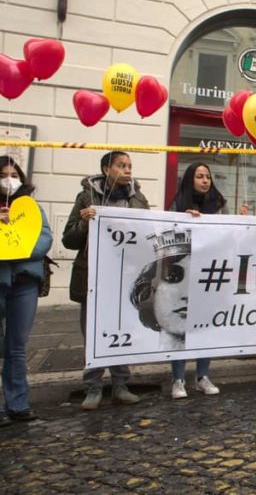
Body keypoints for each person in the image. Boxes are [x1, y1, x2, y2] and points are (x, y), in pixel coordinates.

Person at [63, 151, 147, 410]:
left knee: (122, 330)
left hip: (125, 278)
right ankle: (93, 388)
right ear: (106, 169)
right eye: (121, 165)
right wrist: (85, 223)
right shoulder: (87, 196)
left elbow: (148, 235)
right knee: (93, 334)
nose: (127, 170)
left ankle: (121, 385)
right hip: (93, 278)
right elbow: (69, 239)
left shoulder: (138, 199)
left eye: (130, 165)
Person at [163, 163, 248, 399]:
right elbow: (168, 236)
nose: (205, 180)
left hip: (210, 272)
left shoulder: (219, 203)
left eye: (208, 176)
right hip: (184, 274)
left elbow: (228, 235)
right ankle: (178, 379)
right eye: (199, 176)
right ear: (190, 179)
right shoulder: (178, 203)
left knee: (205, 326)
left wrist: (239, 220)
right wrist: (185, 222)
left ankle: (202, 376)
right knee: (181, 327)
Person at [0, 156, 53, 425]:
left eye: (14, 175)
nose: (9, 180)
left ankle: (18, 403)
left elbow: (44, 237)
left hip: (24, 282)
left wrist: (19, 250)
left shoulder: (30, 206)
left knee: (17, 347)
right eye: (3, 175)